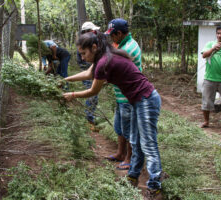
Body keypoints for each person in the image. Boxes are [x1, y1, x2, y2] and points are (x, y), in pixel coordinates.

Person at [63, 32, 164, 199]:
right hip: (138, 101)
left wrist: (72, 95)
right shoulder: (103, 57)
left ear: (94, 47)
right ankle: (132, 176)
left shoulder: (104, 61)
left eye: (83, 53)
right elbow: (88, 74)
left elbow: (93, 90)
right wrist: (66, 80)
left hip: (146, 100)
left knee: (148, 144)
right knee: (135, 141)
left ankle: (154, 186)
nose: (82, 57)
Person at [104, 18, 142, 170]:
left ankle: (130, 158)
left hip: (129, 96)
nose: (111, 38)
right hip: (121, 95)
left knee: (129, 130)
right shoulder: (121, 44)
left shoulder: (129, 48)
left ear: (119, 33)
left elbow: (112, 65)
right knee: (119, 127)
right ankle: (120, 153)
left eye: (112, 35)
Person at [77, 22, 100, 128]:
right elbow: (88, 71)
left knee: (93, 95)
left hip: (90, 70)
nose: (94, 33)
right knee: (92, 94)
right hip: (88, 69)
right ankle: (89, 119)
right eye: (92, 31)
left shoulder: (91, 42)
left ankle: (89, 117)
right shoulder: (84, 43)